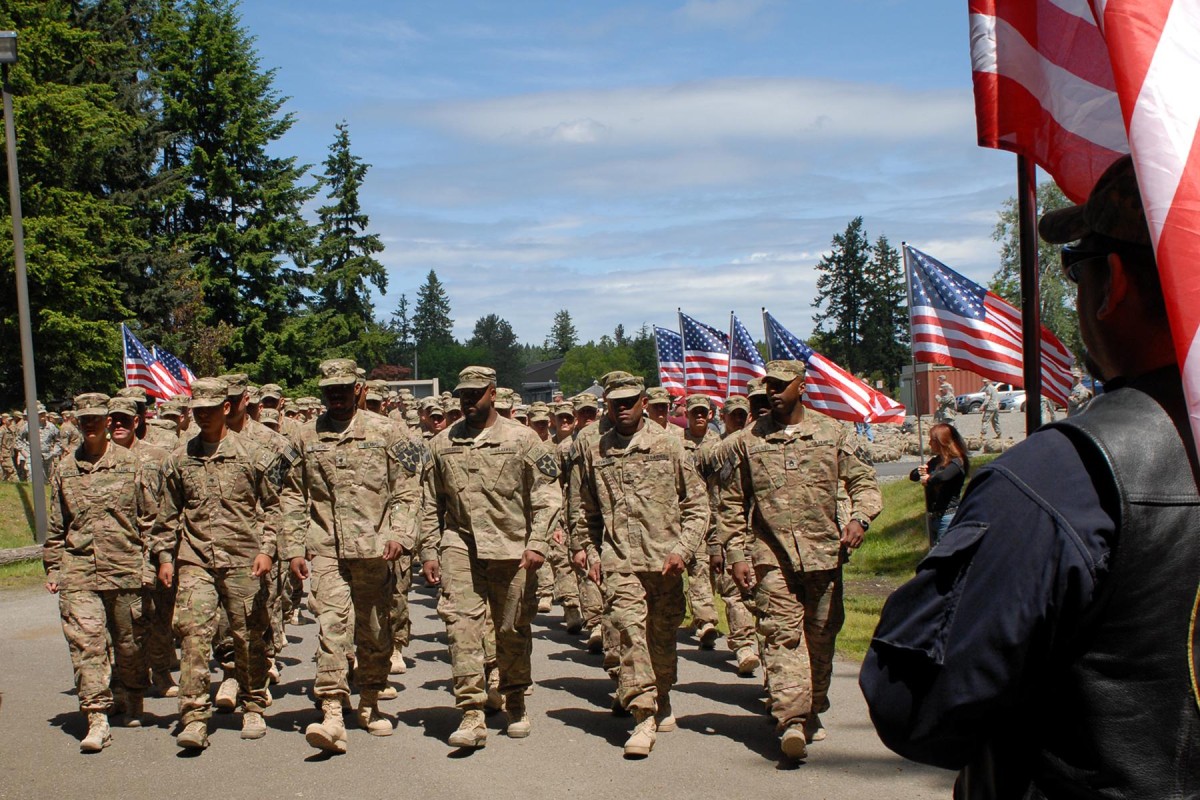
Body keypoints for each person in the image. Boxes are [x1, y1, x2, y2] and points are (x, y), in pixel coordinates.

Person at [860, 154, 1200, 796]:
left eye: (1076, 270)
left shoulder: (1061, 477)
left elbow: (910, 701)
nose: (1074, 293)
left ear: (1115, 283)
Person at [717, 360, 882, 761]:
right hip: (771, 556)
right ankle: (791, 720)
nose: (772, 391)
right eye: (768, 385)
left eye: (780, 385)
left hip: (824, 553)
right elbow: (731, 502)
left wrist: (860, 518)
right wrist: (737, 553)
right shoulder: (748, 440)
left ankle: (812, 707)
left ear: (801, 386)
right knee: (782, 635)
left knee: (822, 636)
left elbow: (864, 481)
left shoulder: (832, 433)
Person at [283, 359, 423, 753]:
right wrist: (293, 546)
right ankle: (330, 711)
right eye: (330, 389)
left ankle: (370, 701)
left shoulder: (388, 432)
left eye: (344, 388)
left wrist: (401, 534)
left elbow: (409, 490)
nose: (337, 395)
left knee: (376, 631)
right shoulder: (304, 435)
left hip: (376, 550)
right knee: (331, 626)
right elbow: (291, 494)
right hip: (326, 548)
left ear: (360, 389)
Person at [419, 366, 561, 748]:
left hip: (512, 548)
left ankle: (514, 699)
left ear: (493, 394)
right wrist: (429, 549)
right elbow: (430, 502)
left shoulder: (524, 439)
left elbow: (547, 496)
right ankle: (471, 712)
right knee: (461, 625)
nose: (468, 400)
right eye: (463, 394)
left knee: (511, 628)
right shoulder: (442, 442)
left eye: (476, 394)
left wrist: (538, 543)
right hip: (460, 544)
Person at [572, 373, 707, 757]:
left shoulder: (671, 443)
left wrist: (684, 549)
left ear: (643, 402)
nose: (623, 408)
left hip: (666, 563)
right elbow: (585, 509)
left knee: (661, 639)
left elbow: (697, 505)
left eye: (630, 401)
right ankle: (643, 715)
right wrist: (586, 548)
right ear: (607, 406)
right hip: (620, 561)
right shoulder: (595, 450)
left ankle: (661, 694)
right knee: (630, 634)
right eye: (616, 403)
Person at [148, 377, 280, 750]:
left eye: (210, 409)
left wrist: (267, 549)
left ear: (226, 408)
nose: (203, 416)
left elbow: (274, 507)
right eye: (198, 411)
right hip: (196, 559)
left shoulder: (254, 454)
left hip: (243, 558)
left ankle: (253, 703)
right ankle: (193, 715)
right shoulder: (179, 459)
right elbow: (167, 515)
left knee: (249, 634)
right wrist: (164, 556)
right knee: (193, 635)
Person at [43, 393, 157, 752]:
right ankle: (97, 717)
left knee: (129, 644)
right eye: (84, 419)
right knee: (87, 644)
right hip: (79, 570)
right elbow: (56, 525)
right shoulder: (64, 468)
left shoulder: (131, 464)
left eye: (96, 418)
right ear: (77, 422)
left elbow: (150, 520)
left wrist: (151, 564)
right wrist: (53, 566)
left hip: (125, 567)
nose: (90, 425)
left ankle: (132, 695)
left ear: (108, 422)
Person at [908, 423, 969, 546]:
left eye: (932, 440)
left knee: (943, 554)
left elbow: (944, 476)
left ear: (942, 441)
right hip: (933, 517)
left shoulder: (957, 462)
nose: (930, 443)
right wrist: (919, 471)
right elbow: (913, 476)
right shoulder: (936, 461)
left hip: (948, 515)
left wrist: (929, 479)